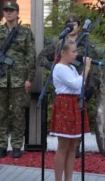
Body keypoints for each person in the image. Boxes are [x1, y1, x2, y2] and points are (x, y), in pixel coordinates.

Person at [37, 13, 101, 157]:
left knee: (78, 119)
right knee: (65, 119)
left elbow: (93, 68)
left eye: (74, 24)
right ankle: (65, 148)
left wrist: (91, 86)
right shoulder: (59, 43)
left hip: (81, 86)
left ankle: (75, 147)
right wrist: (53, 67)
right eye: (69, 24)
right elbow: (41, 57)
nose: (72, 27)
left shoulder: (86, 44)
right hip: (64, 88)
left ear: (79, 26)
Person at [0, 1, 36, 159]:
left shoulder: (25, 33)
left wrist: (29, 79)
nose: (8, 13)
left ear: (17, 12)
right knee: (1, 113)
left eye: (11, 10)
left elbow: (31, 57)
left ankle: (17, 145)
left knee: (18, 113)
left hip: (19, 81)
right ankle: (1, 145)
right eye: (6, 10)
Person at [50, 39, 91, 181]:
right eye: (73, 51)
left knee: (73, 146)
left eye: (76, 51)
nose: (76, 54)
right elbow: (76, 84)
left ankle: (69, 179)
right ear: (63, 52)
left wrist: (82, 73)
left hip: (75, 103)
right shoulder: (59, 68)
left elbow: (80, 86)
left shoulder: (72, 68)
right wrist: (86, 69)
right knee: (63, 147)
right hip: (65, 105)